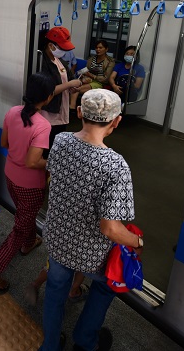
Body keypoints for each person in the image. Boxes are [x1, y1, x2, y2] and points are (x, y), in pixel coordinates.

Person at [39, 89, 142, 351]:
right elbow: (110, 228)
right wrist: (137, 241)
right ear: (116, 121)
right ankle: (85, 341)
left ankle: (50, 345)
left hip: (59, 238)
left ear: (79, 113)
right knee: (106, 288)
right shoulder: (116, 166)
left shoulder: (61, 140)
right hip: (93, 254)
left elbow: (54, 176)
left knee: (55, 288)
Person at [0, 73, 55, 294]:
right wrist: (52, 162)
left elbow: (4, 142)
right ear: (48, 98)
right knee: (21, 226)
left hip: (10, 176)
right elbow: (33, 162)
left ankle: (29, 242)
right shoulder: (43, 126)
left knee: (24, 214)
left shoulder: (12, 112)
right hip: (30, 185)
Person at [39, 27, 82, 148]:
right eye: (62, 48)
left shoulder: (59, 61)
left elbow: (68, 79)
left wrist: (72, 87)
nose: (64, 52)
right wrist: (68, 85)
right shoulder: (42, 62)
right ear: (51, 45)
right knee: (47, 146)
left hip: (61, 111)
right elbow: (47, 90)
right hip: (49, 114)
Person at [70, 40, 114, 109]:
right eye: (96, 48)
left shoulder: (110, 62)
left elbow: (105, 78)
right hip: (89, 80)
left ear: (106, 49)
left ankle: (72, 108)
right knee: (73, 86)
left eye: (100, 48)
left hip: (100, 83)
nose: (98, 50)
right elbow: (87, 70)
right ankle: (71, 108)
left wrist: (91, 76)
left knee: (76, 89)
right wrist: (84, 77)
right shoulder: (91, 59)